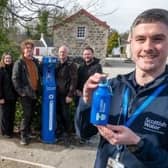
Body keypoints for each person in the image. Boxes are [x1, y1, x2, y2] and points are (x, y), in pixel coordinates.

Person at [76, 8, 168, 168]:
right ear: (130, 43)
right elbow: (84, 133)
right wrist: (87, 102)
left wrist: (138, 145)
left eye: (157, 39)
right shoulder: (113, 86)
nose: (148, 47)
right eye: (140, 39)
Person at [12, 39, 41, 145]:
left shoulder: (35, 62)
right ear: (23, 50)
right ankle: (23, 136)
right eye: (27, 48)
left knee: (31, 114)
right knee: (27, 114)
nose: (29, 50)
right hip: (25, 94)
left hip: (34, 92)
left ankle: (28, 132)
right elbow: (15, 78)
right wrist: (21, 92)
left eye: (31, 49)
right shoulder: (19, 63)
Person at [75, 46, 102, 143]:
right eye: (85, 54)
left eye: (88, 54)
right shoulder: (81, 67)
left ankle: (86, 136)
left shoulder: (97, 66)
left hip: (91, 95)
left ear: (92, 55)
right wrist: (77, 89)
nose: (87, 56)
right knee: (79, 116)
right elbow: (77, 79)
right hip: (80, 95)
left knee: (87, 116)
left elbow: (97, 81)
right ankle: (80, 135)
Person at [56, 45, 77, 145]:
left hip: (65, 95)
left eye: (64, 52)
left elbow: (74, 80)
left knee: (65, 114)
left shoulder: (71, 65)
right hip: (56, 94)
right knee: (58, 114)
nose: (62, 54)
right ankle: (60, 131)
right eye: (60, 52)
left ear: (67, 53)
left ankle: (68, 133)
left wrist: (70, 95)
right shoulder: (56, 63)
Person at [0, 53, 17, 138]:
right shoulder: (1, 70)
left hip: (12, 97)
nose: (8, 60)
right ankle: (5, 132)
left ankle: (10, 131)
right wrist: (1, 97)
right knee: (4, 115)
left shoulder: (13, 69)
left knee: (11, 114)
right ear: (3, 59)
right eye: (6, 58)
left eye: (9, 58)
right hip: (4, 97)